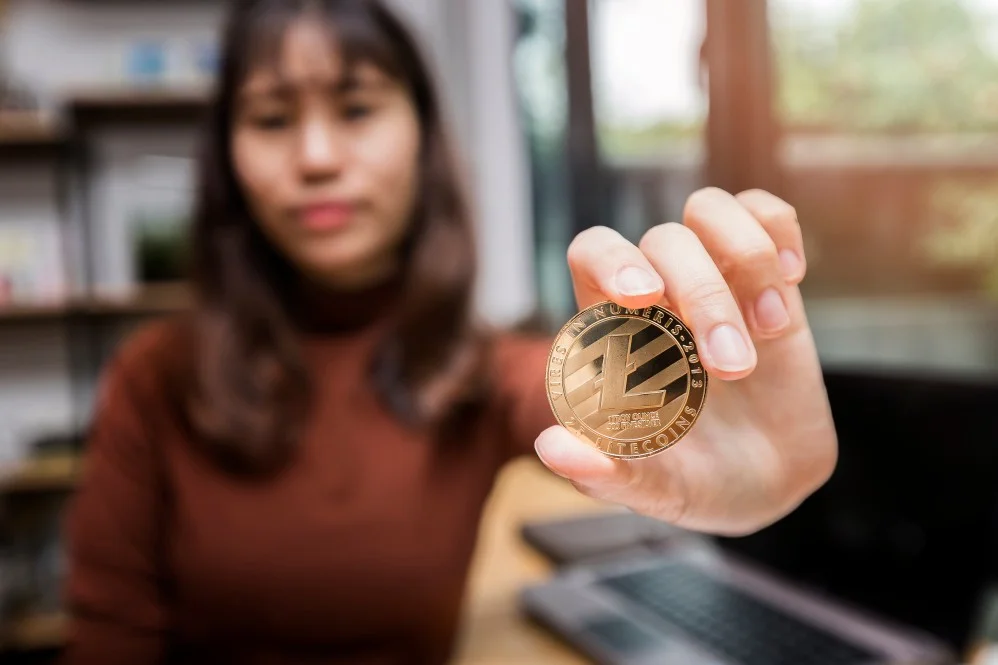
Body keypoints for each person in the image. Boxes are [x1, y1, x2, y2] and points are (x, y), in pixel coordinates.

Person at [59, 1, 838, 663]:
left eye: (357, 107)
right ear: (228, 158)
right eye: (271, 117)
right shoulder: (153, 377)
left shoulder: (478, 370)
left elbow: (585, 405)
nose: (318, 156)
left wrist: (726, 449)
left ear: (423, 137)